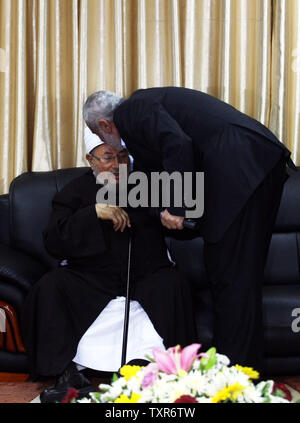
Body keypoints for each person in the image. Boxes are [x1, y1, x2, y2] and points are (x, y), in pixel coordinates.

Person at [82, 87, 297, 372]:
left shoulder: (131, 111)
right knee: (235, 277)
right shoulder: (144, 114)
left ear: (105, 125)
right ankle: (241, 373)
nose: (110, 145)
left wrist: (178, 208)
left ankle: (235, 377)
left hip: (243, 165)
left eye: (101, 136)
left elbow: (177, 145)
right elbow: (154, 173)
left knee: (231, 278)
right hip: (253, 166)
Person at [20, 130, 198, 403]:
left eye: (123, 156)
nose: (117, 165)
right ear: (90, 161)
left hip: (145, 274)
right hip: (89, 278)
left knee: (173, 286)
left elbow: (187, 223)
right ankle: (66, 372)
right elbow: (54, 241)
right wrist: (92, 212)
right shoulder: (75, 191)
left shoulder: (149, 184)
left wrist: (174, 214)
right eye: (108, 157)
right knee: (49, 288)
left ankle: (147, 364)